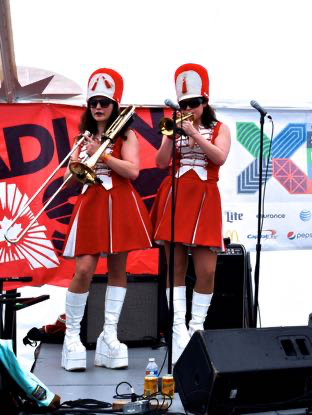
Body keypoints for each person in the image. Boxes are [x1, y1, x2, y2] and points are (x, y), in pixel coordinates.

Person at [61, 68, 153, 371]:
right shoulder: (83, 137)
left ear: (114, 105)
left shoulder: (127, 135)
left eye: (104, 102)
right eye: (93, 102)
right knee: (84, 269)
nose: (98, 107)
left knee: (117, 268)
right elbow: (69, 181)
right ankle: (71, 337)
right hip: (91, 202)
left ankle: (108, 335)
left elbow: (133, 171)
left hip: (119, 202)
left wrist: (101, 155)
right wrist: (77, 160)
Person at [150, 63, 231, 364]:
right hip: (177, 195)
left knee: (207, 270)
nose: (188, 109)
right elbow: (160, 163)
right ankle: (177, 329)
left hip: (206, 197)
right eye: (184, 104)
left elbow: (219, 157)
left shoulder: (220, 128)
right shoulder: (174, 128)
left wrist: (195, 133)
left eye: (194, 103)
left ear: (205, 102)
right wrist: (171, 137)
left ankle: (197, 326)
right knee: (176, 268)